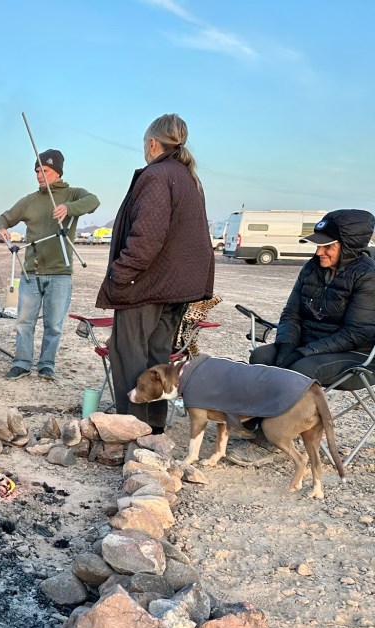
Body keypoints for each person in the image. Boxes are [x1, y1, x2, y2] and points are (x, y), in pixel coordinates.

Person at [95, 113, 214, 434]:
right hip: (177, 289)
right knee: (156, 358)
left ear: (152, 144)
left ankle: (132, 430)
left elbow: (147, 236)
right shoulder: (188, 178)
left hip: (146, 285)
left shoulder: (157, 175)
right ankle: (154, 430)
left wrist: (121, 274)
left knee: (128, 355)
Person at [228, 208, 375, 466]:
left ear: (349, 247)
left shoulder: (367, 275)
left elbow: (356, 333)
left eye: (328, 246)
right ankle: (257, 422)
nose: (319, 252)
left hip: (355, 354)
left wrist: (303, 352)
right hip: (309, 346)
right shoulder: (311, 268)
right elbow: (291, 313)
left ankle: (269, 440)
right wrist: (287, 345)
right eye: (318, 245)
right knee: (262, 357)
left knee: (301, 369)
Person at [0, 149, 100, 381]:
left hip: (60, 273)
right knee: (24, 323)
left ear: (57, 172)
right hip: (31, 273)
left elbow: (94, 201)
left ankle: (46, 365)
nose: (39, 175)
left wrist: (69, 208)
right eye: (36, 171)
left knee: (54, 325)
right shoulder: (30, 200)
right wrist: (0, 230)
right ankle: (22, 363)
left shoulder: (73, 194)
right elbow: (3, 218)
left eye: (44, 170)